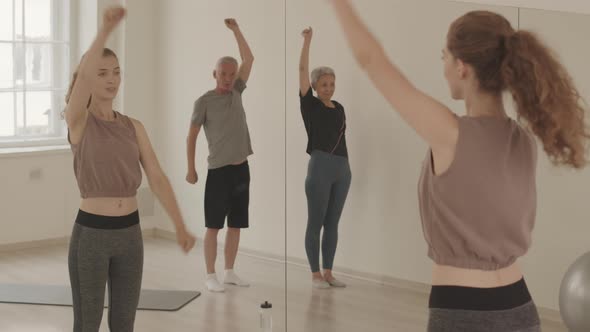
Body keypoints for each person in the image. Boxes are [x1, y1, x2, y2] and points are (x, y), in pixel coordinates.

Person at [328, 1, 589, 331]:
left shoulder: (450, 133)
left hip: (463, 311)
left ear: (462, 66)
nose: (444, 66)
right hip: (520, 306)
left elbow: (373, 62)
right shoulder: (523, 139)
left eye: (444, 57)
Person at [64, 6, 196, 331]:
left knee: (124, 323)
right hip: (91, 236)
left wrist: (179, 225)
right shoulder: (78, 122)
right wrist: (106, 31)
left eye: (117, 72)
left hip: (130, 235)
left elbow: (157, 177)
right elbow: (82, 78)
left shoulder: (132, 127)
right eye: (103, 72)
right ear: (89, 77)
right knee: (87, 323)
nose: (112, 79)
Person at [186, 18, 254, 293]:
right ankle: (210, 274)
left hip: (241, 169)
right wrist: (191, 169)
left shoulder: (237, 92)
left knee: (236, 224)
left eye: (231, 74)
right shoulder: (204, 101)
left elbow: (249, 57)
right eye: (222, 74)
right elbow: (191, 136)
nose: (227, 78)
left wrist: (237, 31)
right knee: (213, 226)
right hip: (218, 172)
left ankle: (229, 272)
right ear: (214, 74)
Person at [299, 27, 351, 289]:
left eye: (331, 84)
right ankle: (315, 274)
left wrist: (345, 168)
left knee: (333, 223)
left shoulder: (339, 107)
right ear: (315, 86)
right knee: (316, 221)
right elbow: (301, 72)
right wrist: (308, 41)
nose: (328, 88)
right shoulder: (310, 105)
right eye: (323, 84)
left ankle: (329, 272)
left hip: (343, 169)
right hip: (320, 167)